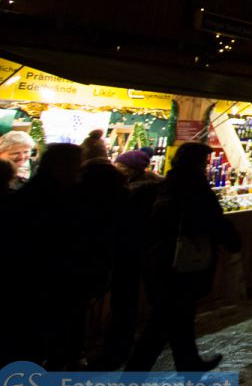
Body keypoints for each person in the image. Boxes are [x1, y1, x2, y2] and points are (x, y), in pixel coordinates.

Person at [127, 142, 241, 371]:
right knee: (160, 326)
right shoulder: (194, 188)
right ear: (198, 163)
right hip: (181, 265)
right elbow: (212, 220)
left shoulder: (166, 184)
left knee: (180, 318)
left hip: (160, 262)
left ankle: (189, 363)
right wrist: (233, 241)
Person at [2, 143, 84, 367]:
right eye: (76, 167)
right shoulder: (61, 201)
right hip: (41, 285)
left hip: (27, 284)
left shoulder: (25, 196)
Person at [96, 149, 162, 369]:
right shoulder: (152, 190)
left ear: (128, 170)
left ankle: (118, 349)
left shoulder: (132, 194)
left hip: (129, 253)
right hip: (140, 253)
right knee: (128, 301)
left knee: (124, 302)